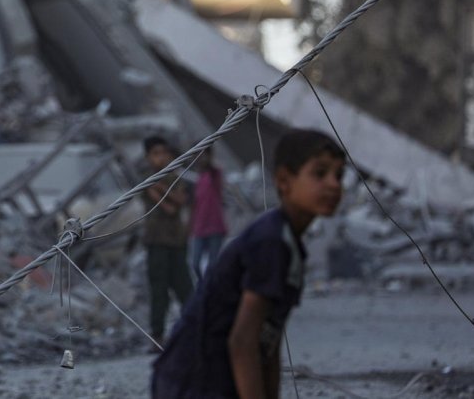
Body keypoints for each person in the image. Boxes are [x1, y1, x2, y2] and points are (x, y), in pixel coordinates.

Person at [152, 129, 344, 399]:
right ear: (284, 181)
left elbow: (269, 340)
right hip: (193, 381)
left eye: (339, 175)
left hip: (210, 379)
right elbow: (242, 342)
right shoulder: (271, 241)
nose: (334, 185)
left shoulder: (291, 246)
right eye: (320, 173)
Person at [140, 136, 193, 341]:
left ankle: (194, 328)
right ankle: (158, 335)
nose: (160, 158)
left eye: (163, 153)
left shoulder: (174, 177)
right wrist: (165, 192)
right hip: (156, 241)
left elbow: (179, 201)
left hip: (177, 241)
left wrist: (161, 188)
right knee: (159, 291)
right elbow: (169, 206)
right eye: (155, 154)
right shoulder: (146, 180)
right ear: (148, 157)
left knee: (185, 288)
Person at [189, 146, 228, 280]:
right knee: (195, 263)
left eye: (203, 155)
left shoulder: (214, 174)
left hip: (215, 226)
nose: (200, 159)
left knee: (213, 264)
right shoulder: (195, 178)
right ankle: (203, 286)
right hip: (199, 226)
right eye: (197, 156)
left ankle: (211, 290)